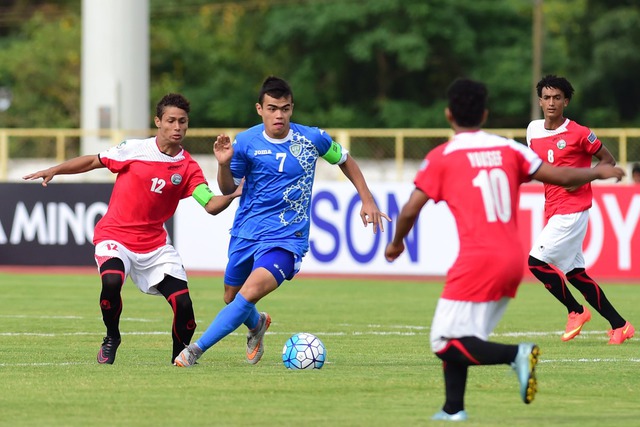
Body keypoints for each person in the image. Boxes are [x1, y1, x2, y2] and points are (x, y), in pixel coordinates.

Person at [384, 78, 625, 421]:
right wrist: (599, 171)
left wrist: (396, 243)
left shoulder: (443, 156)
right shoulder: (508, 149)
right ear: (484, 113)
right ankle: (454, 408)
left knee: (442, 341)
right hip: (510, 260)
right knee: (466, 335)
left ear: (448, 114)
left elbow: (409, 209)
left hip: (477, 261)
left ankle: (518, 354)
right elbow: (562, 176)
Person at [174, 76, 390, 367]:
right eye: (273, 108)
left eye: (285, 109)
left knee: (248, 293)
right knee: (232, 296)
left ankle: (194, 351)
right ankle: (257, 324)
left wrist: (367, 199)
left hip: (287, 239)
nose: (279, 115)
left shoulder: (311, 138)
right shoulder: (247, 141)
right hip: (246, 232)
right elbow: (227, 189)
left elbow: (345, 160)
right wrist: (224, 164)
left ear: (292, 108)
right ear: (259, 109)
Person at [23, 93, 241, 365]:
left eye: (182, 122)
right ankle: (112, 336)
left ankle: (179, 358)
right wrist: (55, 169)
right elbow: (93, 160)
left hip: (155, 246)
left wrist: (233, 195)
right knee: (112, 281)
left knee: (184, 306)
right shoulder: (134, 149)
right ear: (157, 122)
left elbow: (209, 204)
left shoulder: (188, 167)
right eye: (171, 121)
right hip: (115, 236)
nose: (177, 127)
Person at [526, 75, 635, 345]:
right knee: (576, 274)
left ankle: (576, 311)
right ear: (540, 101)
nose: (552, 103)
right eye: (547, 97)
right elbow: (534, 166)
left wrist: (583, 178)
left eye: (557, 98)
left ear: (566, 101)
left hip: (573, 209)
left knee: (535, 263)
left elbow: (607, 162)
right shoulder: (532, 130)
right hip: (552, 207)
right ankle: (620, 325)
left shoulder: (579, 133)